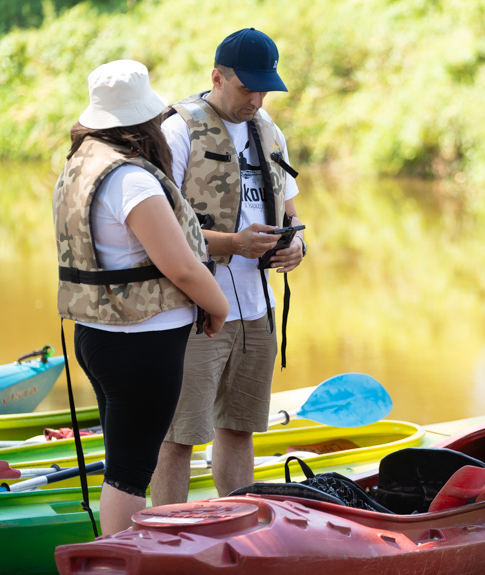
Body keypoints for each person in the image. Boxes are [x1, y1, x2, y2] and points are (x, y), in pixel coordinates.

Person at [52, 60, 229, 534]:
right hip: (140, 343)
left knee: (122, 462)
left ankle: (120, 557)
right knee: (130, 473)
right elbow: (183, 267)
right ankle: (119, 561)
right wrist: (218, 306)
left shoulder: (78, 167)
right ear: (144, 120)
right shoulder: (132, 180)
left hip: (97, 335)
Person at [151, 28, 305, 503]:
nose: (256, 100)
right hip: (194, 313)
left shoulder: (269, 131)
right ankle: (168, 541)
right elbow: (157, 234)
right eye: (247, 88)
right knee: (177, 437)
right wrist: (232, 244)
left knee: (239, 429)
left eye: (265, 89)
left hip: (257, 311)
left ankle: (239, 533)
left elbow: (292, 214)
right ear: (217, 77)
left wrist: (297, 247)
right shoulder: (177, 130)